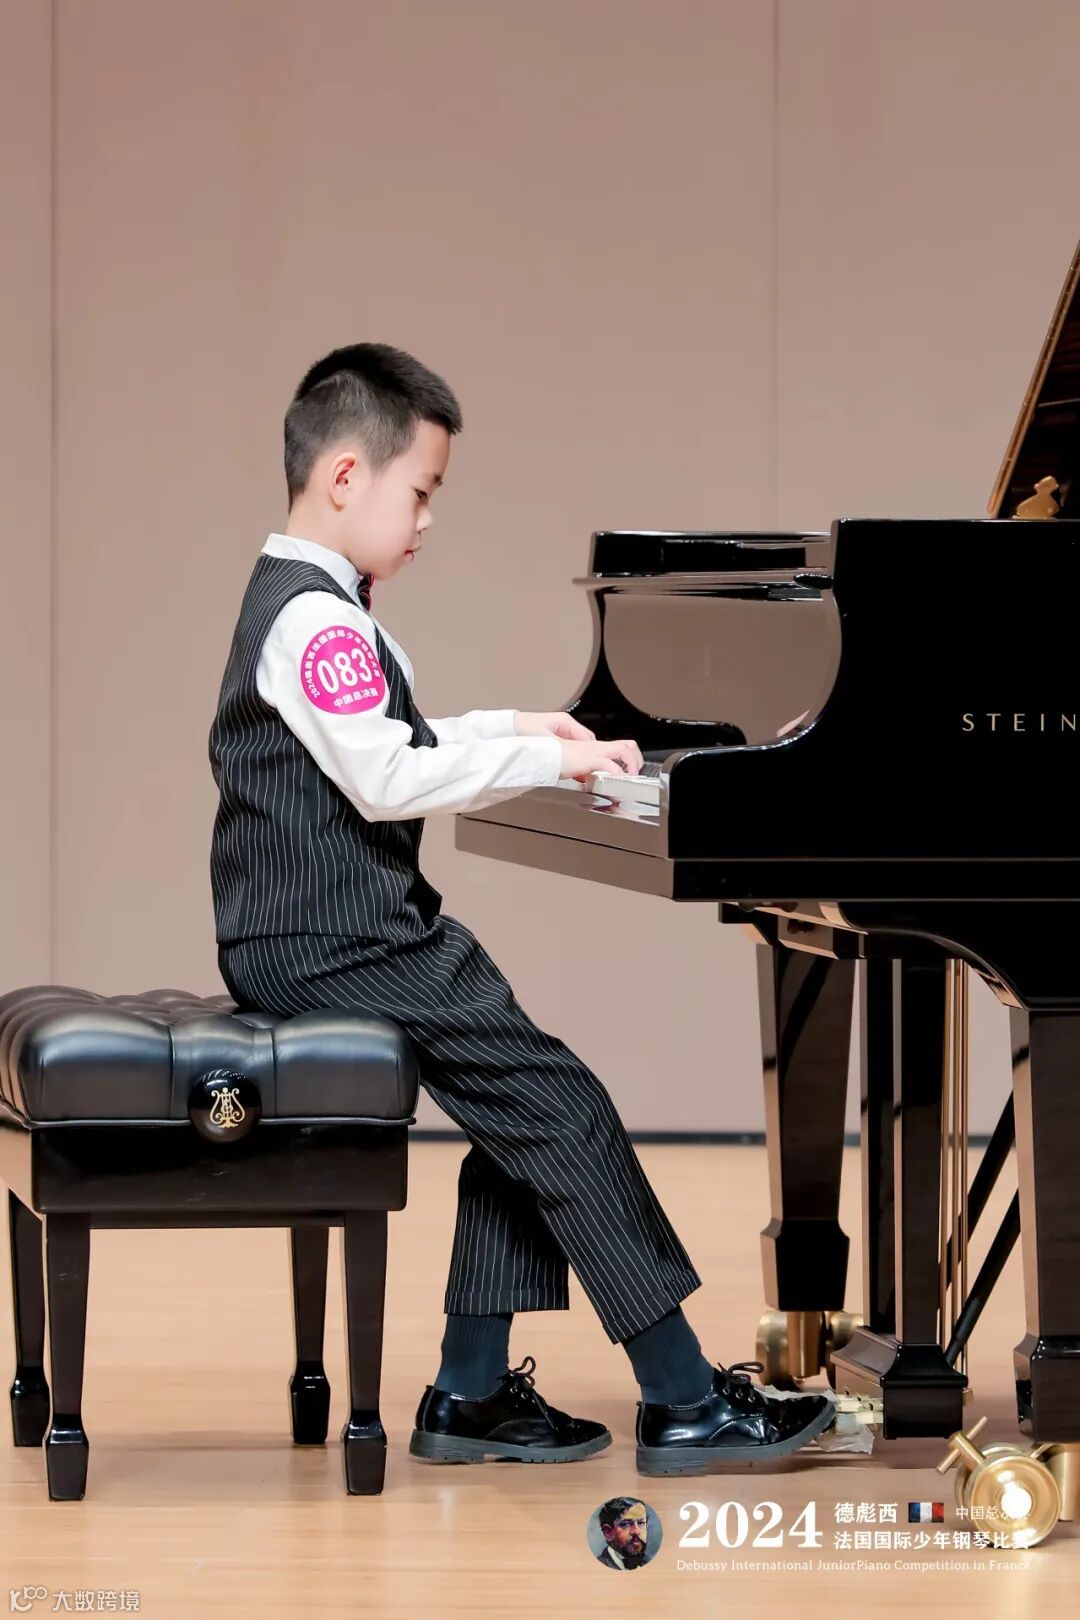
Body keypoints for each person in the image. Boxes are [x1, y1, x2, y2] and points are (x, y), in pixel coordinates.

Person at [208, 342, 833, 1476]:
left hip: (327, 933)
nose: (426, 521)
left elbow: (384, 744)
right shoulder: (317, 621)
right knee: (567, 1110)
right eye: (420, 492)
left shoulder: (312, 606)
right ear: (346, 477)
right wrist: (546, 764)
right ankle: (685, 1399)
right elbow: (386, 779)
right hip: (336, 941)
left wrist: (519, 729)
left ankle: (472, 1391)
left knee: (524, 1116)